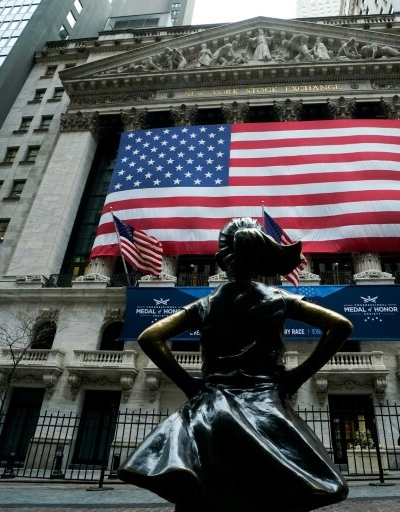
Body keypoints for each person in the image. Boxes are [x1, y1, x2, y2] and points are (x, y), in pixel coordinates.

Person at [118, 217, 353, 512]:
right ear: (258, 262)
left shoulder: (205, 304)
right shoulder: (279, 298)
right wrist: (298, 376)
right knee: (276, 491)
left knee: (202, 494)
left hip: (210, 409)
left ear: (220, 261)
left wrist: (189, 385)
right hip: (265, 405)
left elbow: (150, 337)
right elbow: (341, 325)